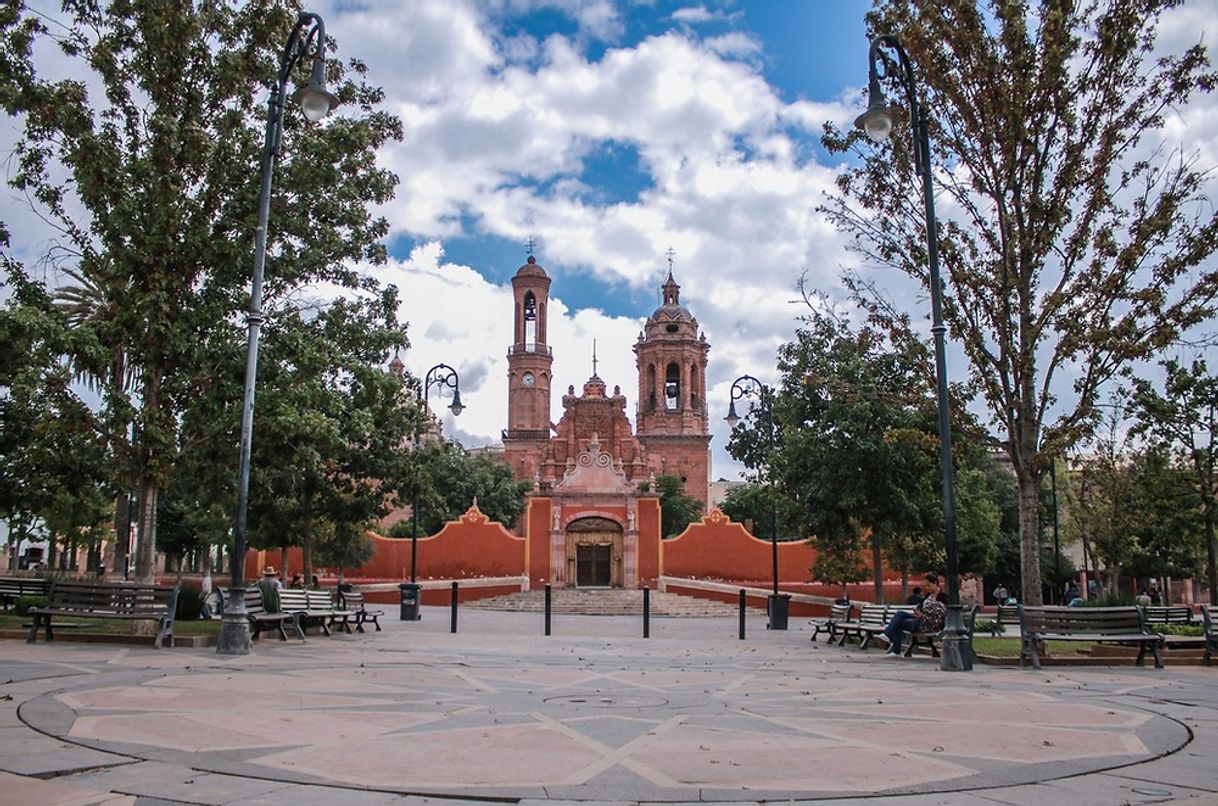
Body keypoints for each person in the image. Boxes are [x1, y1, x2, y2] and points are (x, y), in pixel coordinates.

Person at [881, 573, 946, 658]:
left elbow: (941, 613)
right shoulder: (927, 596)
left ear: (935, 583)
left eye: (928, 585)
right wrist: (917, 612)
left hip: (928, 624)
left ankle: (892, 643)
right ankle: (888, 636)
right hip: (920, 619)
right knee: (900, 614)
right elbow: (921, 607)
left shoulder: (943, 597)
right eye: (925, 586)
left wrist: (922, 615)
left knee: (899, 622)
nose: (926, 588)